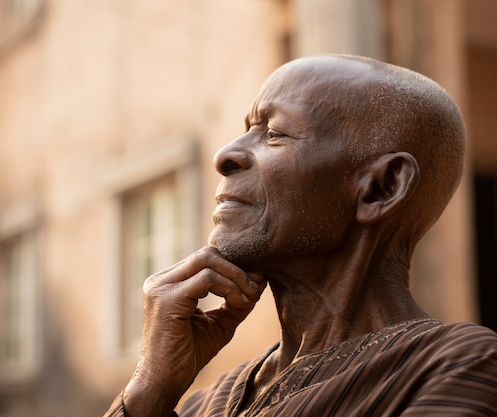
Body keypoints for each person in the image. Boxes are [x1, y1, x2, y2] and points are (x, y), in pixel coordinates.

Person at [105, 54, 497, 417]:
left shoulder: (462, 365)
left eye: (274, 133)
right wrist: (150, 388)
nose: (224, 155)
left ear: (382, 186)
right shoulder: (207, 402)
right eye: (246, 130)